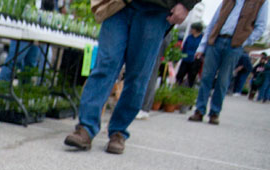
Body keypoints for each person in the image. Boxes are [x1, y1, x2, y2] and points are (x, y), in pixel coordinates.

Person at [64, 0, 198, 155]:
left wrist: (187, 3)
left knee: (138, 75)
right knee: (106, 63)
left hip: (157, 9)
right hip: (120, 4)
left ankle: (118, 131)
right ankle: (86, 127)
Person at [188, 0, 268, 124]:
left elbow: (260, 26)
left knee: (223, 80)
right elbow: (214, 22)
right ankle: (199, 110)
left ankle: (215, 112)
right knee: (206, 77)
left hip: (234, 46)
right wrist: (202, 46)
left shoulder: (261, 2)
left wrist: (244, 42)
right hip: (216, 40)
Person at [176, 22, 204, 86]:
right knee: (180, 75)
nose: (191, 30)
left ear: (197, 30)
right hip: (186, 59)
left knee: (191, 77)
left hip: (195, 60)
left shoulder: (202, 39)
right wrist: (182, 56)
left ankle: (188, 89)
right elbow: (184, 48)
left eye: (192, 29)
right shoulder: (189, 37)